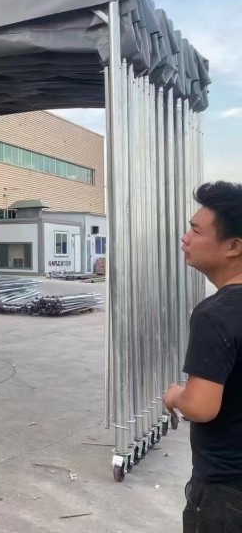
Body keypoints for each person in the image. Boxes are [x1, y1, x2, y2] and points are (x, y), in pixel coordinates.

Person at [164, 181, 242, 532]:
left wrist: (176, 395)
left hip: (227, 492)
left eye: (196, 231)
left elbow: (201, 407)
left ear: (234, 246)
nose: (185, 238)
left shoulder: (216, 313)